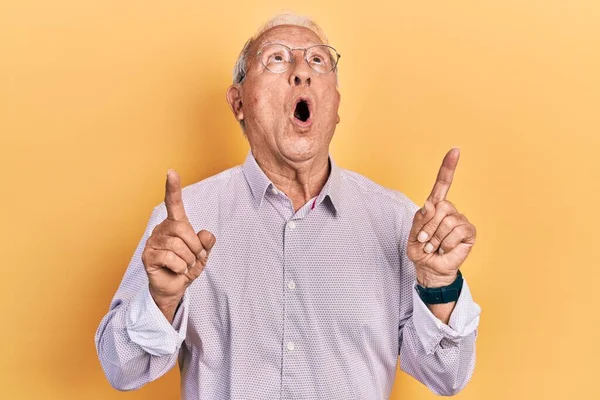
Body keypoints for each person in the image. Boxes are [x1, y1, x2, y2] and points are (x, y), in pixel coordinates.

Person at [95, 12, 481, 399]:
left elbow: (448, 377)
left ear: (335, 104)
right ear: (238, 102)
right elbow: (121, 368)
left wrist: (438, 286)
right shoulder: (182, 222)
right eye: (277, 58)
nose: (301, 71)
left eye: (318, 60)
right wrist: (162, 300)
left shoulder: (397, 222)